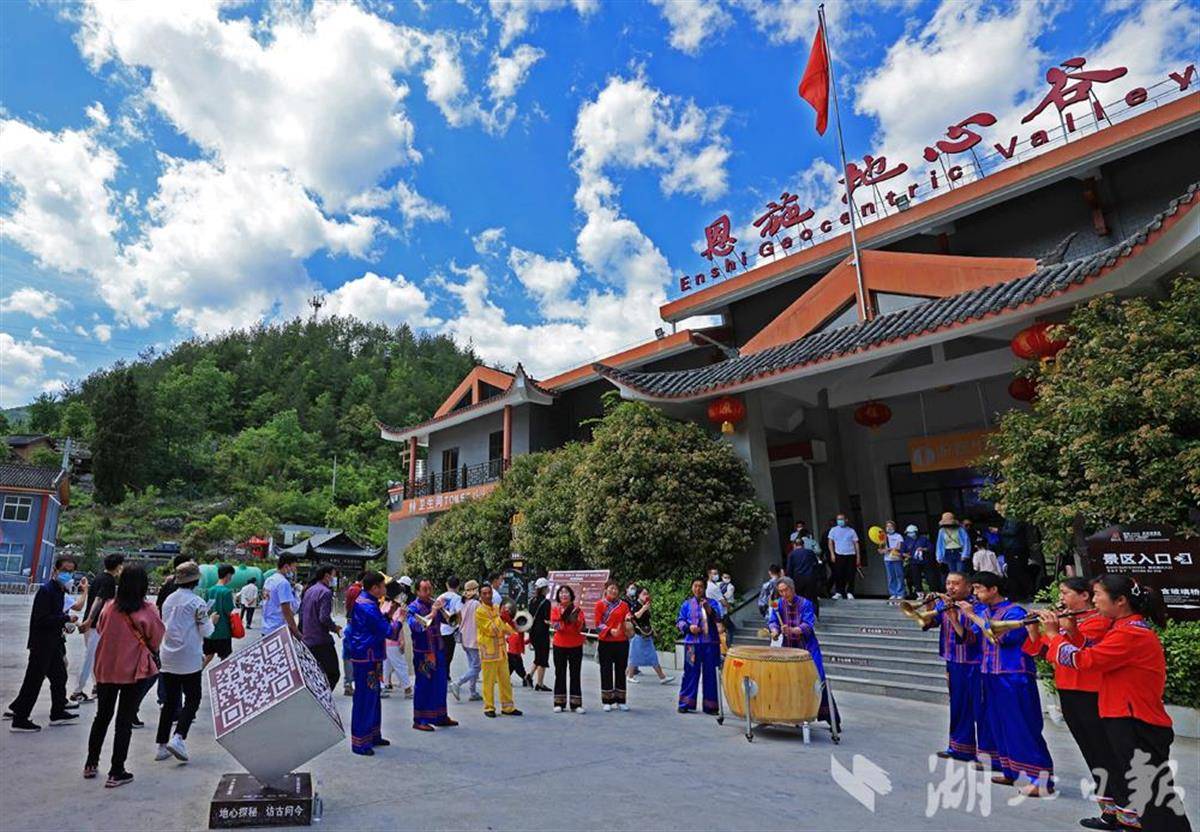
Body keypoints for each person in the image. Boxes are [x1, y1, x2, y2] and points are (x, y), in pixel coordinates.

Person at [1041, 576, 1191, 832]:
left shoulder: (1130, 633)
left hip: (1136, 722)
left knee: (1152, 796)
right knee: (1149, 794)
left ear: (1120, 601)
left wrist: (1054, 635)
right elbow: (1088, 650)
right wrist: (1070, 631)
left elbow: (1082, 660)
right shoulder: (1122, 629)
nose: (1095, 599)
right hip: (1125, 718)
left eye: (1098, 594)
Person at [1022, 577, 1116, 828]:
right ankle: (1109, 810)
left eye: (1065, 592)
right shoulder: (1066, 620)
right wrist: (1034, 631)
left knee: (1103, 751)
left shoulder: (1099, 621)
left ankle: (1123, 812)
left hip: (1091, 692)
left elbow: (1080, 653)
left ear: (1084, 596)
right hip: (1069, 691)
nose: (1061, 597)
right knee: (1090, 751)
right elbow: (1042, 651)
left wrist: (1062, 630)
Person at [958, 571, 1053, 796]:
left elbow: (997, 636)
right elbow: (970, 637)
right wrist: (956, 617)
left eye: (979, 588)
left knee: (1022, 725)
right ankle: (1011, 770)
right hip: (989, 673)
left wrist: (972, 616)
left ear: (994, 589)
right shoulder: (985, 610)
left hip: (1013, 675)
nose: (976, 593)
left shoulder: (1015, 611)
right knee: (999, 724)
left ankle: (1040, 780)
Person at [83, 564, 163, 787]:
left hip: (107, 669)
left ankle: (91, 763)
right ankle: (116, 771)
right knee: (124, 722)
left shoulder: (109, 607)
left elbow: (100, 629)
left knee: (102, 717)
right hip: (133, 671)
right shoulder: (147, 610)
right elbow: (155, 640)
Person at [8, 555, 82, 732]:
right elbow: (42, 619)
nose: (67, 574)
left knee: (60, 677)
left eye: (71, 572)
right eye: (64, 570)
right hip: (42, 644)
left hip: (53, 642)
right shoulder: (46, 591)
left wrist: (65, 624)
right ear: (55, 571)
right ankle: (19, 719)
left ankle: (57, 713)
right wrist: (65, 618)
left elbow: (54, 617)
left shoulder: (59, 591)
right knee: (33, 681)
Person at [156, 561, 217, 763]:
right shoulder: (197, 602)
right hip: (189, 657)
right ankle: (179, 736)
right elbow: (206, 631)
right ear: (196, 580)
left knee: (170, 702)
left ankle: (161, 745)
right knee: (192, 698)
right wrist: (212, 621)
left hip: (168, 655)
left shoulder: (169, 600)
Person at [922, 572, 982, 762]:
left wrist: (955, 618)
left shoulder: (978, 607)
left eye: (955, 584)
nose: (950, 587)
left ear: (968, 586)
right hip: (953, 662)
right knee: (958, 705)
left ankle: (989, 754)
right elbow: (927, 623)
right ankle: (960, 748)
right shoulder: (943, 604)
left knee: (981, 708)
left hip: (976, 663)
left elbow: (972, 637)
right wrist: (929, 606)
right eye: (948, 583)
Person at [768, 577, 839, 730]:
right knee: (789, 681)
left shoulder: (806, 603)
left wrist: (793, 630)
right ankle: (793, 716)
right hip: (788, 647)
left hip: (807, 647)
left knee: (818, 680)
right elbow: (773, 620)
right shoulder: (777, 604)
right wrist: (774, 631)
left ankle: (831, 718)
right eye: (780, 591)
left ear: (792, 589)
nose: (783, 594)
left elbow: (808, 624)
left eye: (785, 590)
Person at [345, 571, 397, 755]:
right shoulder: (368, 606)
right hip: (366, 656)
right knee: (365, 698)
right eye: (383, 586)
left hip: (370, 655)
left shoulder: (367, 601)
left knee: (373, 697)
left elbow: (378, 623)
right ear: (375, 588)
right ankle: (360, 742)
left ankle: (373, 734)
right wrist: (399, 619)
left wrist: (390, 612)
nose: (385, 589)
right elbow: (388, 631)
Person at [72, 553, 124, 704]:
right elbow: (99, 599)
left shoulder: (99, 577)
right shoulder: (108, 580)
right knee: (90, 657)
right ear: (118, 566)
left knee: (94, 657)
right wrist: (90, 620)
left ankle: (96, 686)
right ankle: (77, 691)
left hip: (91, 624)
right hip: (95, 625)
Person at [407, 579, 457, 731]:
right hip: (423, 652)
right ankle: (419, 719)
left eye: (430, 589)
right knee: (423, 685)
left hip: (438, 648)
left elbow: (450, 622)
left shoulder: (434, 603)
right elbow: (416, 626)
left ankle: (440, 716)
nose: (429, 593)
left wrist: (444, 610)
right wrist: (434, 612)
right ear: (417, 591)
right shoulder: (412, 608)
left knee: (440, 683)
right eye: (425, 590)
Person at [676, 578, 723, 715]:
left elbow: (719, 618)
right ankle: (686, 703)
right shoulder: (686, 604)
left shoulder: (712, 603)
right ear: (692, 588)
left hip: (711, 644)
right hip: (692, 644)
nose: (698, 589)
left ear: (704, 589)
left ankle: (711, 706)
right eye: (695, 586)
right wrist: (688, 627)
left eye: (701, 586)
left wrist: (709, 609)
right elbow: (680, 621)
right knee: (690, 672)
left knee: (710, 674)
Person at [476, 585, 523, 718]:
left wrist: (514, 629)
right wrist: (501, 619)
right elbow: (491, 630)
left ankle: (508, 707)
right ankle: (489, 707)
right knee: (488, 681)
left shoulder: (497, 608)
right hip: (488, 651)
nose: (487, 596)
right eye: (484, 593)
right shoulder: (479, 611)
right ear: (480, 595)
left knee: (505, 680)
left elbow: (505, 626)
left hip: (501, 650)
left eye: (489, 593)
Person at [300, 564, 343, 690]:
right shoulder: (325, 593)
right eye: (334, 575)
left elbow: (302, 614)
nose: (334, 579)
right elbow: (324, 617)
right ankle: (322, 698)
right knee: (333, 673)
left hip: (308, 638)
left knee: (314, 672)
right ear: (327, 576)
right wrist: (335, 628)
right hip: (321, 640)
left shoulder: (309, 590)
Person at [594, 580, 631, 712]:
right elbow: (597, 624)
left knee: (621, 670)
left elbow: (628, 619)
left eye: (615, 589)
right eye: (611, 588)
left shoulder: (624, 605)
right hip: (606, 642)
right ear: (606, 590)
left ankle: (621, 700)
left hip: (622, 642)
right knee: (606, 670)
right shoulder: (599, 605)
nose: (614, 591)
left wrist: (629, 622)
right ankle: (607, 700)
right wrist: (610, 630)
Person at [626, 587, 674, 684]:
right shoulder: (636, 605)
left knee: (652, 656)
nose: (646, 596)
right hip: (638, 635)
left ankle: (662, 677)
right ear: (638, 595)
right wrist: (643, 609)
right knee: (634, 657)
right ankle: (630, 676)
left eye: (647, 594)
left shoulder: (645, 605)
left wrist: (653, 630)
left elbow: (647, 620)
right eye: (644, 594)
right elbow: (635, 616)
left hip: (646, 634)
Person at [550, 585, 586, 713]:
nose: (564, 595)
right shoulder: (555, 609)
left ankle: (576, 704)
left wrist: (574, 622)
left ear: (571, 595)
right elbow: (555, 625)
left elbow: (580, 626)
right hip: (559, 645)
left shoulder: (577, 610)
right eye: (561, 593)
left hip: (576, 645)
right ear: (558, 595)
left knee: (575, 674)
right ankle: (559, 703)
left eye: (566, 592)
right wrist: (566, 622)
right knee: (560, 673)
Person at [450, 580, 482, 703]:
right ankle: (458, 683)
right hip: (474, 639)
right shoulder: (476, 604)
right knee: (477, 667)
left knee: (472, 666)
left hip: (465, 639)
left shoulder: (463, 603)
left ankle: (473, 692)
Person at [380, 581, 412, 698]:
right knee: (400, 665)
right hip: (393, 641)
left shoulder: (385, 605)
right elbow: (398, 625)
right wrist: (402, 640)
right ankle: (407, 688)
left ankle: (384, 685)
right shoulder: (396, 607)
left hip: (385, 641)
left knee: (386, 664)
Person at [202, 564, 236, 667]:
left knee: (208, 655)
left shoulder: (209, 590)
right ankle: (222, 678)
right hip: (223, 631)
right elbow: (229, 611)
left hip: (210, 631)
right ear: (228, 575)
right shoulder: (226, 592)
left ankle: (198, 673)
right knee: (224, 657)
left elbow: (205, 609)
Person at [261, 554, 301, 636]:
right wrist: (296, 631)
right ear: (286, 566)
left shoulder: (269, 580)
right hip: (278, 629)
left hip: (266, 627)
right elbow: (286, 611)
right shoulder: (283, 583)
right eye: (294, 567)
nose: (295, 570)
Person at [827, 513, 861, 599]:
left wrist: (858, 556)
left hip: (850, 554)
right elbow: (830, 542)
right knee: (839, 574)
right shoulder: (833, 530)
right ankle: (839, 592)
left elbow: (856, 543)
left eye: (842, 519)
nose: (840, 521)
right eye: (838, 519)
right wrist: (832, 554)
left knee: (850, 574)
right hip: (839, 554)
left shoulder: (851, 531)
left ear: (846, 520)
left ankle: (850, 591)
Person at [341, 572, 365, 696]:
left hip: (350, 624)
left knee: (347, 655)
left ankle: (347, 683)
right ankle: (355, 683)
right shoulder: (360, 591)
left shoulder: (351, 589)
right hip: (357, 626)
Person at [436, 576, 463, 680]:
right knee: (449, 655)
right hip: (450, 630)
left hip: (440, 629)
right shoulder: (458, 598)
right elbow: (459, 613)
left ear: (447, 584)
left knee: (441, 653)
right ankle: (445, 675)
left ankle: (442, 674)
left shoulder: (440, 597)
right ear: (458, 586)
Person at [528, 578, 552, 692]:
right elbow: (547, 620)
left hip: (533, 632)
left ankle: (529, 676)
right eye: (547, 587)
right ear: (544, 589)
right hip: (542, 633)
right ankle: (540, 684)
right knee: (543, 658)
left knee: (538, 656)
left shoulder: (532, 601)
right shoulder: (546, 602)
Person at [901, 525, 938, 597]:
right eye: (908, 533)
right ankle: (919, 593)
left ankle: (933, 592)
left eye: (911, 532)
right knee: (916, 578)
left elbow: (931, 548)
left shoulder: (923, 539)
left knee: (930, 577)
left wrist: (923, 549)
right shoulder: (906, 540)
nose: (910, 534)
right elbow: (902, 551)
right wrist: (906, 555)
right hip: (914, 562)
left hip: (925, 561)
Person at [879, 521, 905, 600]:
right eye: (887, 526)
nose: (889, 528)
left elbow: (899, 547)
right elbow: (880, 549)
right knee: (891, 576)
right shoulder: (883, 537)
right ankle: (893, 593)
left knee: (899, 575)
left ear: (894, 527)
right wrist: (883, 550)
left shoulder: (898, 536)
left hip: (896, 558)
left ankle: (900, 593)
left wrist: (890, 549)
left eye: (891, 526)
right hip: (887, 559)